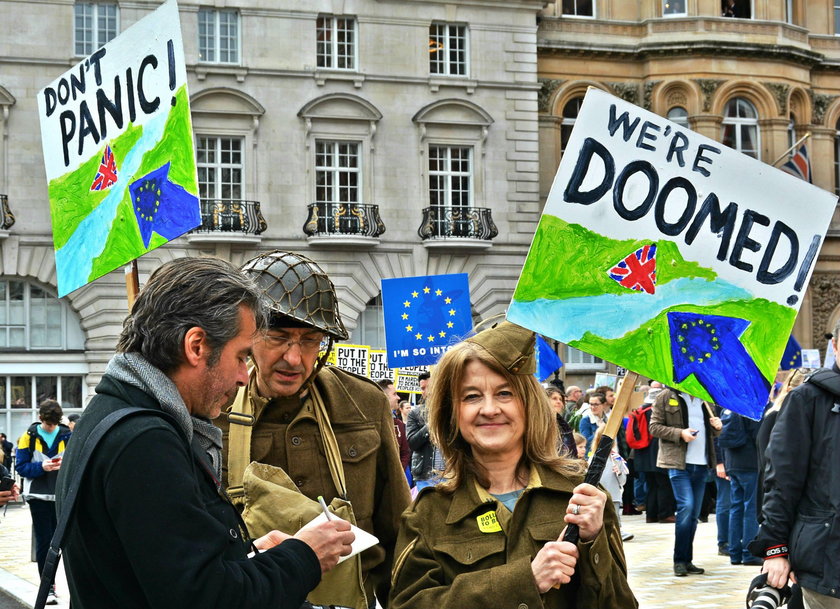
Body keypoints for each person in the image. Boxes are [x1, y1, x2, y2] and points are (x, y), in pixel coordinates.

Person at [56, 257, 354, 609]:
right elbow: (207, 598)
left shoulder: (114, 411)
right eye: (242, 356)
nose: (245, 376)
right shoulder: (145, 442)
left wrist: (255, 556)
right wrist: (304, 555)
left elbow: (169, 571)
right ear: (196, 346)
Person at [389, 321, 637, 608]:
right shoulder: (428, 513)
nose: (490, 409)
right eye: (471, 396)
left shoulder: (582, 496)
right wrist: (523, 581)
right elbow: (407, 604)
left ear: (528, 404)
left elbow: (621, 604)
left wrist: (594, 541)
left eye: (505, 393)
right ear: (452, 413)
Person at [218, 250, 410, 609]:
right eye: (278, 336)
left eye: (309, 340)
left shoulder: (362, 404)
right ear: (248, 336)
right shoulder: (215, 409)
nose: (294, 357)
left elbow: (399, 534)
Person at [750, 331, 840, 609]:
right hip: (828, 558)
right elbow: (781, 481)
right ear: (835, 346)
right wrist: (775, 548)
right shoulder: (808, 399)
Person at [649, 388, 722, 576]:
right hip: (678, 464)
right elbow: (654, 427)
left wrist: (717, 427)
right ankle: (679, 560)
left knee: (693, 515)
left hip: (702, 464)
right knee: (686, 507)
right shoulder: (666, 396)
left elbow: (711, 432)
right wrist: (680, 433)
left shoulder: (705, 397)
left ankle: (687, 560)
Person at [16, 399, 72, 604]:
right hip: (38, 497)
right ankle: (47, 587)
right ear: (40, 419)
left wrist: (65, 465)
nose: (51, 428)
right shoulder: (27, 437)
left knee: (63, 542)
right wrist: (42, 467)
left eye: (54, 424)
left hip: (61, 496)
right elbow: (21, 467)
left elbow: (77, 464)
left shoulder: (68, 435)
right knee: (44, 542)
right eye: (48, 424)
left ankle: (64, 585)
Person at [718, 408, 761, 566]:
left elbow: (721, 438)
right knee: (751, 508)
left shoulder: (727, 409)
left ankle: (734, 553)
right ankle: (749, 553)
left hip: (733, 463)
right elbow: (758, 437)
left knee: (736, 508)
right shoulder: (749, 409)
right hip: (750, 462)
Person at [407, 371, 446, 490]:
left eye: (428, 387)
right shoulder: (415, 413)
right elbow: (412, 443)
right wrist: (430, 425)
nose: (425, 392)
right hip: (426, 476)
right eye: (422, 388)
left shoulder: (452, 411)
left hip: (450, 474)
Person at [377, 379, 410, 474]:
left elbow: (405, 453)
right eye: (394, 394)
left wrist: (396, 473)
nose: (398, 397)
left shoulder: (399, 424)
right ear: (384, 396)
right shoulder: (372, 424)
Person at [546, 386, 576, 457]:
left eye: (560, 399)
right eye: (554, 398)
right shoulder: (538, 423)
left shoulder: (564, 425)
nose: (559, 402)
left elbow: (572, 451)